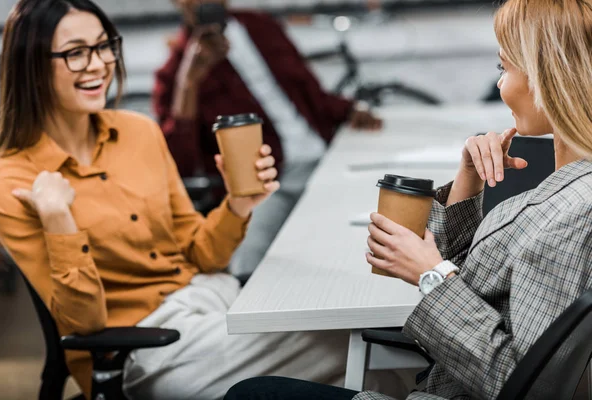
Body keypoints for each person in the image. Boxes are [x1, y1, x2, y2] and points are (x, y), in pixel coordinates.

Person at [0, 1, 403, 399]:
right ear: (30, 63)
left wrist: (239, 202)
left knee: (362, 328)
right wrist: (59, 220)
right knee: (366, 342)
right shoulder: (11, 181)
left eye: (103, 46)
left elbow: (201, 254)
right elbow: (82, 326)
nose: (99, 64)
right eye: (77, 53)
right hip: (151, 348)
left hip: (214, 298)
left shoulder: (138, 133)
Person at [224, 0, 592, 399]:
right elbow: (488, 286)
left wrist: (430, 276)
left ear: (547, 79)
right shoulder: (565, 184)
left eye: (503, 67)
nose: (500, 84)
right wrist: (466, 179)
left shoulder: (573, 211)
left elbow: (529, 386)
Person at [155, 0, 383, 276]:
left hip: (322, 160)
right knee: (246, 265)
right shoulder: (176, 73)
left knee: (365, 242)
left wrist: (349, 109)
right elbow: (181, 164)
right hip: (265, 186)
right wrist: (189, 83)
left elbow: (310, 91)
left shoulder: (260, 26)